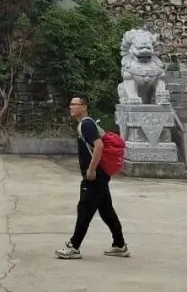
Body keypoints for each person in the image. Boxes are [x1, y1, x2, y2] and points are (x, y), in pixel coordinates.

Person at [55, 94, 129, 260]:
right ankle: (119, 244)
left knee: (84, 209)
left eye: (75, 104)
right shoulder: (87, 124)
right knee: (106, 211)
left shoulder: (86, 124)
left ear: (84, 107)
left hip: (95, 175)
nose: (71, 107)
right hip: (101, 174)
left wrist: (91, 169)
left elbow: (99, 146)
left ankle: (74, 246)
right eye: (70, 104)